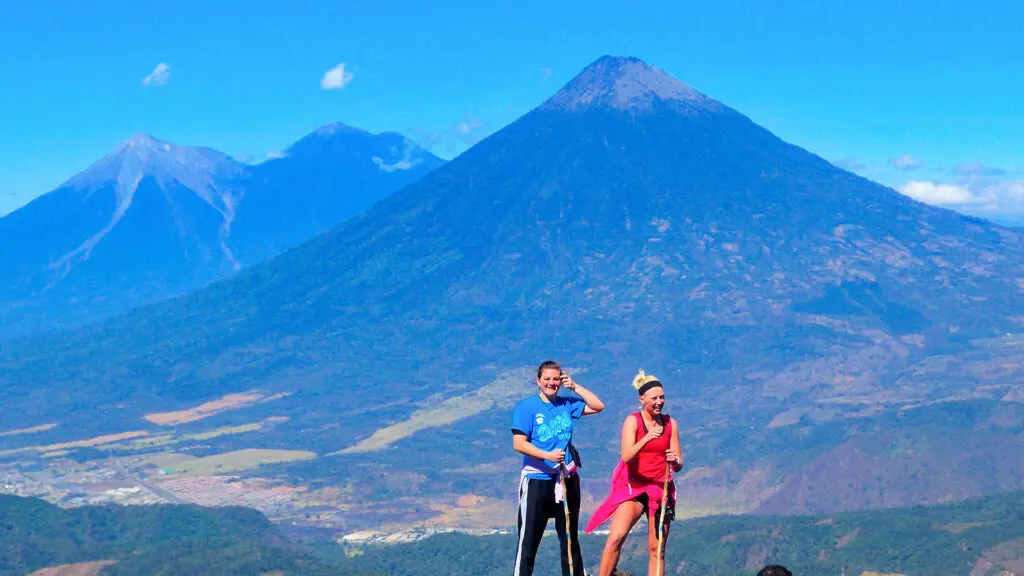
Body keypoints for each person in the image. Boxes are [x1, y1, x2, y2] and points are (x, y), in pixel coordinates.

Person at [585, 370, 683, 576]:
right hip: (635, 488)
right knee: (616, 537)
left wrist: (675, 460)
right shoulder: (633, 421)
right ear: (642, 399)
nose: (659, 402)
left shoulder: (670, 424)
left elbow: (679, 463)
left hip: (660, 489)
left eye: (662, 397)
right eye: (654, 398)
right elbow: (627, 455)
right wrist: (647, 438)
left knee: (657, 549)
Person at [511, 360, 605, 576]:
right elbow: (519, 443)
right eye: (547, 379)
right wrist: (547, 455)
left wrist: (574, 386)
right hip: (537, 479)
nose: (551, 383)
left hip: (566, 479)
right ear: (538, 381)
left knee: (570, 538)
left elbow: (598, 406)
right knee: (529, 540)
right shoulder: (527, 408)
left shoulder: (567, 404)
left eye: (556, 379)